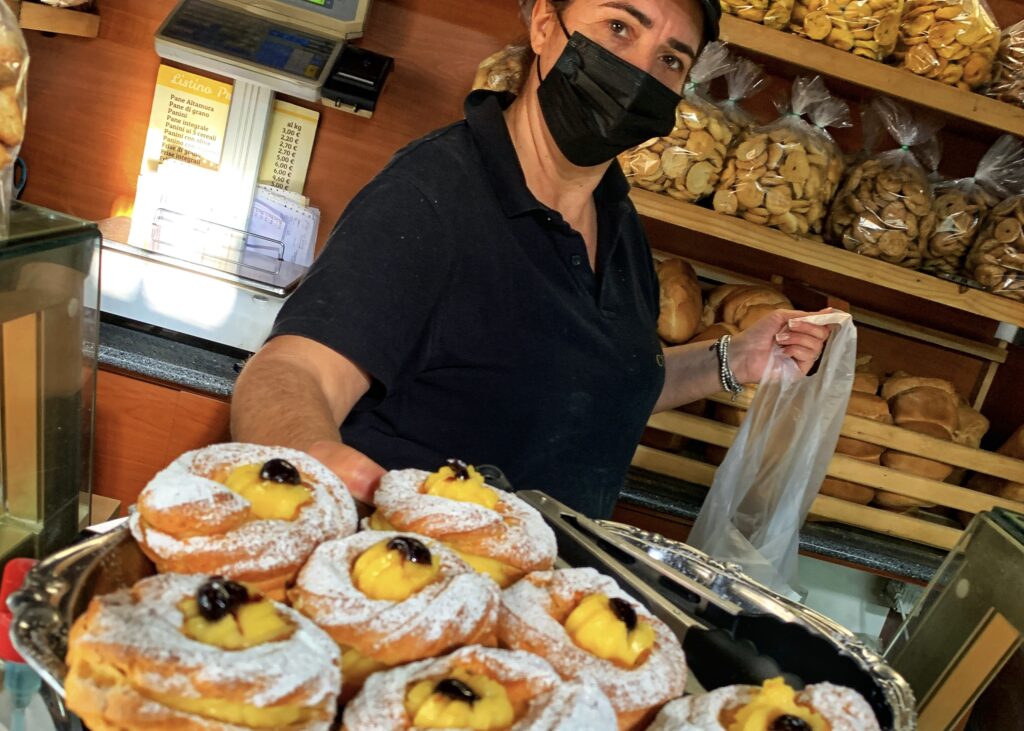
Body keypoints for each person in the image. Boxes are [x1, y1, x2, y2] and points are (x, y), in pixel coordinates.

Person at [231, 0, 832, 518]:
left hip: (524, 610)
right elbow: (293, 372)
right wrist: (311, 462)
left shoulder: (619, 224)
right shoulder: (434, 195)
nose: (639, 69)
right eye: (620, 27)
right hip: (408, 586)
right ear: (545, 23)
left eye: (671, 59)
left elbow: (595, 383)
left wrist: (732, 360)